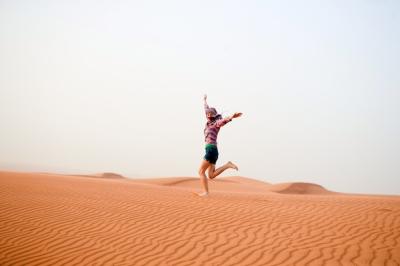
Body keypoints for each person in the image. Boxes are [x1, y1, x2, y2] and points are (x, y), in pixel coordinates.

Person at [197, 94, 243, 197]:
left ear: (214, 115)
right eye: (208, 114)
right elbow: (206, 108)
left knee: (200, 171)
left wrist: (232, 116)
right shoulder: (208, 122)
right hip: (213, 150)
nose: (208, 115)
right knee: (211, 175)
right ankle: (227, 165)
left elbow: (223, 121)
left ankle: (206, 192)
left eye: (211, 114)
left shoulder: (215, 123)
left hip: (211, 150)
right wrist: (204, 100)